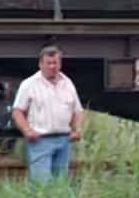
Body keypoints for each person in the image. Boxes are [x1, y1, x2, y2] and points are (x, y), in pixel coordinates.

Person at [11, 45, 85, 183]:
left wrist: (77, 129)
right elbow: (18, 111)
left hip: (64, 140)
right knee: (42, 185)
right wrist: (27, 131)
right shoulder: (29, 84)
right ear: (40, 64)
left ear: (60, 64)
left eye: (55, 63)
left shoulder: (68, 83)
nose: (52, 66)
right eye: (48, 63)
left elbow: (77, 110)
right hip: (40, 140)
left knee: (60, 184)